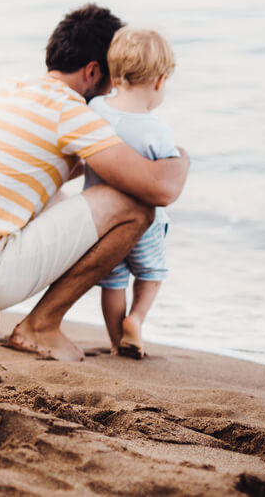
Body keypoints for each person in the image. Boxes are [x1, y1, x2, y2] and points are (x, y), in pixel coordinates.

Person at [0, 4, 190, 362]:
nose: (112, 94)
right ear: (93, 71)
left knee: (36, 185)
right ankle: (40, 325)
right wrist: (180, 156)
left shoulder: (6, 90)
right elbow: (160, 189)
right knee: (133, 206)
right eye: (113, 80)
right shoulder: (71, 112)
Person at [84, 27, 179, 360]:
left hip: (101, 220)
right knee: (151, 274)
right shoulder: (155, 129)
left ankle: (115, 342)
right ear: (158, 82)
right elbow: (168, 173)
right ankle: (135, 320)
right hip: (144, 224)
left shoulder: (95, 109)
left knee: (113, 282)